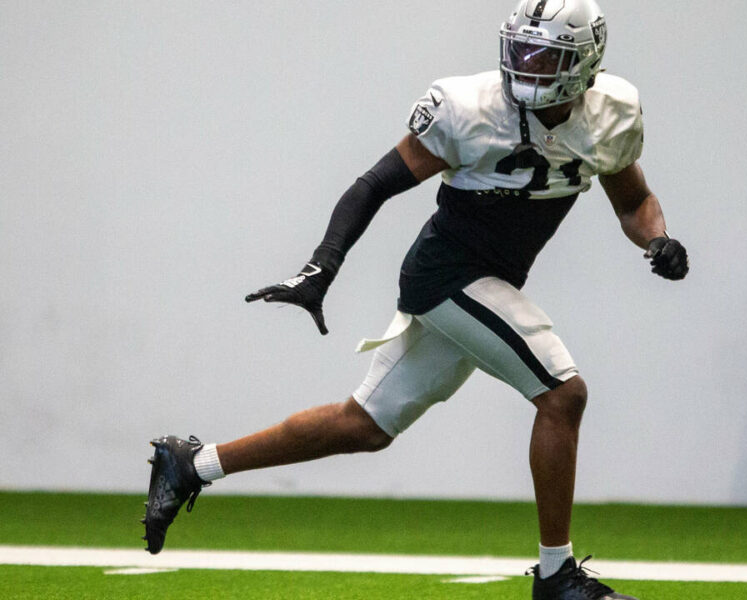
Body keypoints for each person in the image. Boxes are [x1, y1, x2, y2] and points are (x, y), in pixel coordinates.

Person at [143, 1, 688, 598]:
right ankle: (557, 576)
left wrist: (658, 238)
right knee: (563, 393)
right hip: (446, 275)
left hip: (489, 285)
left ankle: (193, 463)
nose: (528, 65)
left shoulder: (610, 114)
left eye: (546, 55)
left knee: (364, 425)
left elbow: (633, 201)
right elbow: (374, 184)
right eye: (521, 50)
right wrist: (320, 267)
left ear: (584, 64)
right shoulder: (469, 107)